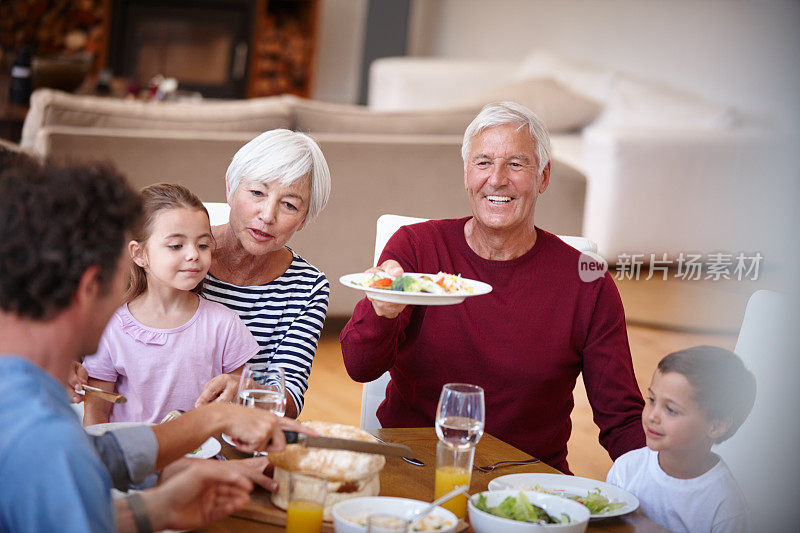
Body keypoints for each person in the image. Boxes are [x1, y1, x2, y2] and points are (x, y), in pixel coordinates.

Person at [0, 157, 304, 532]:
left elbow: (89, 466)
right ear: (91, 285)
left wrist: (155, 508)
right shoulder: (43, 429)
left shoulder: (29, 404)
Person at [340, 101, 645, 473]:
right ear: (467, 173)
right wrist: (381, 310)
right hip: (414, 465)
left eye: (516, 164)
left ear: (544, 177)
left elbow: (622, 417)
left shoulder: (588, 280)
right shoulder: (415, 248)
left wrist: (666, 494)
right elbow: (359, 366)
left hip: (528, 480)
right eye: (483, 162)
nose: (497, 178)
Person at [82, 183, 259, 424]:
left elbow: (240, 407)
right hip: (136, 459)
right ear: (139, 254)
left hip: (206, 459)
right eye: (176, 245)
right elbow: (96, 415)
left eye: (203, 245)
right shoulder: (111, 327)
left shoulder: (224, 324)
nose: (193, 254)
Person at [199, 129, 332, 418]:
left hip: (244, 436)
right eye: (257, 193)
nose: (268, 215)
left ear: (304, 220)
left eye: (290, 205)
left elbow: (290, 398)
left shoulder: (308, 287)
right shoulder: (181, 258)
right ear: (230, 189)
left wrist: (243, 391)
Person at [606, 346, 756, 532]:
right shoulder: (625, 469)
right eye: (651, 400)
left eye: (671, 409)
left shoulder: (726, 507)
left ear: (716, 426)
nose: (652, 416)